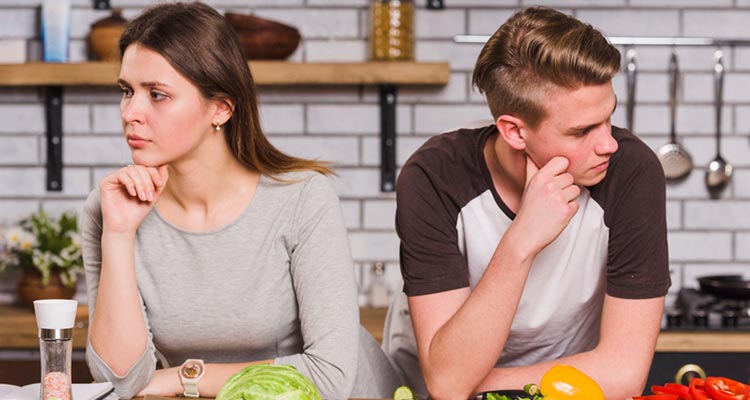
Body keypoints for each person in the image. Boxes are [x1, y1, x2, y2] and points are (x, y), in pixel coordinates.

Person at [80, 2, 400, 399]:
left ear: (221, 108)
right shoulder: (110, 207)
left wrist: (186, 377)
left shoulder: (301, 197)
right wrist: (119, 233)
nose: (131, 112)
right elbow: (123, 383)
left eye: (157, 95)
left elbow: (329, 375)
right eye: (127, 91)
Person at [381, 6, 670, 400]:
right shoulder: (433, 178)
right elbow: (445, 383)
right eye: (582, 130)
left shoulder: (632, 173)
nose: (609, 144)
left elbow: (623, 371)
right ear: (515, 132)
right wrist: (521, 240)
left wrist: (474, 385)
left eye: (608, 118)